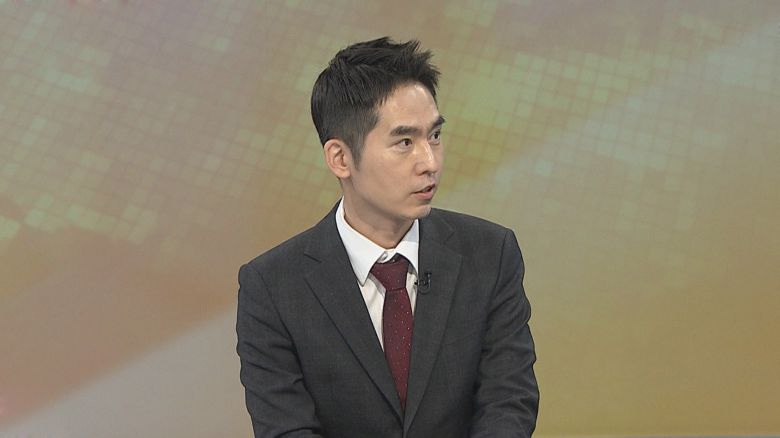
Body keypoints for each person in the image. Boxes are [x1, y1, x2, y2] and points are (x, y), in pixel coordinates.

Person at [236, 37, 539, 437]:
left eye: (434, 136)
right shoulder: (272, 287)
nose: (430, 162)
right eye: (404, 142)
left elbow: (509, 403)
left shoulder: (490, 254)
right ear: (340, 158)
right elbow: (286, 428)